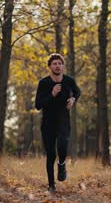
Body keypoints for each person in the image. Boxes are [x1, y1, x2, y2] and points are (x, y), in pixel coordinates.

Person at [35, 53, 81, 194]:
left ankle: (62, 164)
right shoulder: (44, 83)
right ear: (50, 67)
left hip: (63, 119)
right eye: (54, 63)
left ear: (62, 66)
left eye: (59, 63)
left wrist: (73, 100)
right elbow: (38, 105)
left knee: (62, 144)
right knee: (50, 154)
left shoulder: (69, 81)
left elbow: (77, 92)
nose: (57, 66)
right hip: (48, 122)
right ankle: (51, 185)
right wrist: (52, 94)